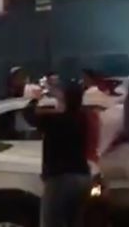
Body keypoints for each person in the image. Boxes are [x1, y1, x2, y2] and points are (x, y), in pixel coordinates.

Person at [24, 81, 91, 227]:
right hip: (83, 176)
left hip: (60, 180)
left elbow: (29, 115)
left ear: (65, 98)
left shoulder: (55, 120)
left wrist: (35, 98)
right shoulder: (82, 119)